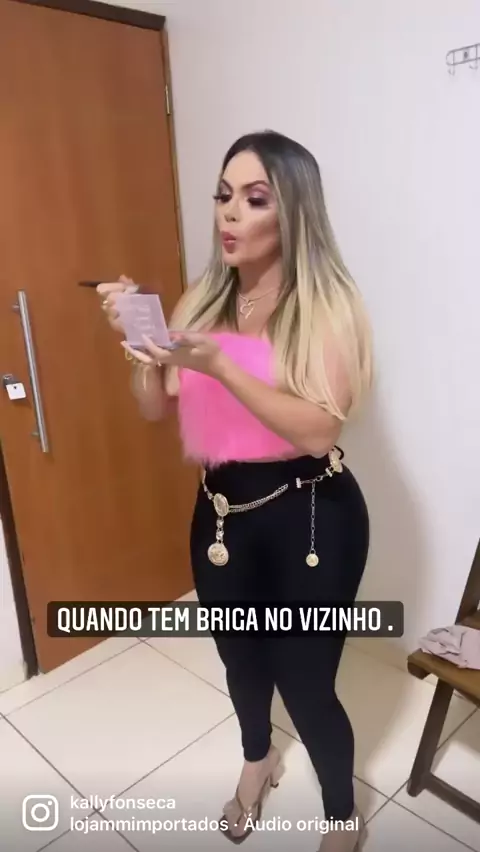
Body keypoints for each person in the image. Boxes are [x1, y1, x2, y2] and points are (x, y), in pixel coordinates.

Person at [98, 130, 372, 852]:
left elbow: (318, 431)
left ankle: (343, 814)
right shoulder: (204, 294)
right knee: (240, 660)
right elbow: (156, 406)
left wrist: (221, 366)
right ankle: (259, 760)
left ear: (294, 212)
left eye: (254, 199)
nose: (229, 213)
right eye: (223, 195)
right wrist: (143, 349)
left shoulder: (327, 304)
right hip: (222, 515)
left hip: (312, 515)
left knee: (304, 681)